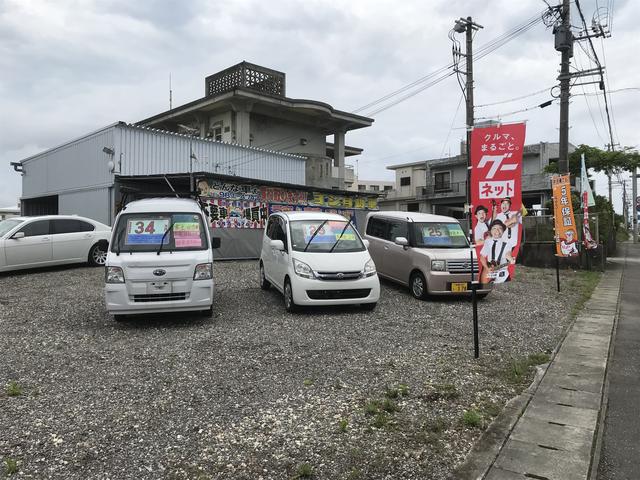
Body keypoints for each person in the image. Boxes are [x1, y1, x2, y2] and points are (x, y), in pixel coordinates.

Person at [480, 220, 515, 284]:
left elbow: (508, 254)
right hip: (489, 273)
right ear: (490, 231)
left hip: (503, 275)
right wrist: (487, 268)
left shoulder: (507, 243)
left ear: (503, 231)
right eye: (494, 228)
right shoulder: (487, 242)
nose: (497, 231)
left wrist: (510, 259)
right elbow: (482, 257)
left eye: (500, 228)